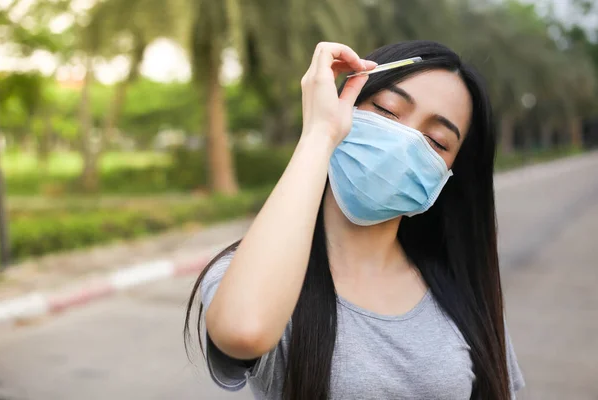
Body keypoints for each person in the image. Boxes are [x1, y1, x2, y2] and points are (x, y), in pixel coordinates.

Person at [184, 40, 525, 400]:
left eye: (436, 142)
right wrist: (318, 135)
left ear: (449, 174)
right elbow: (244, 330)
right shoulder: (255, 272)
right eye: (386, 110)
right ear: (346, 107)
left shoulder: (460, 285)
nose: (404, 142)